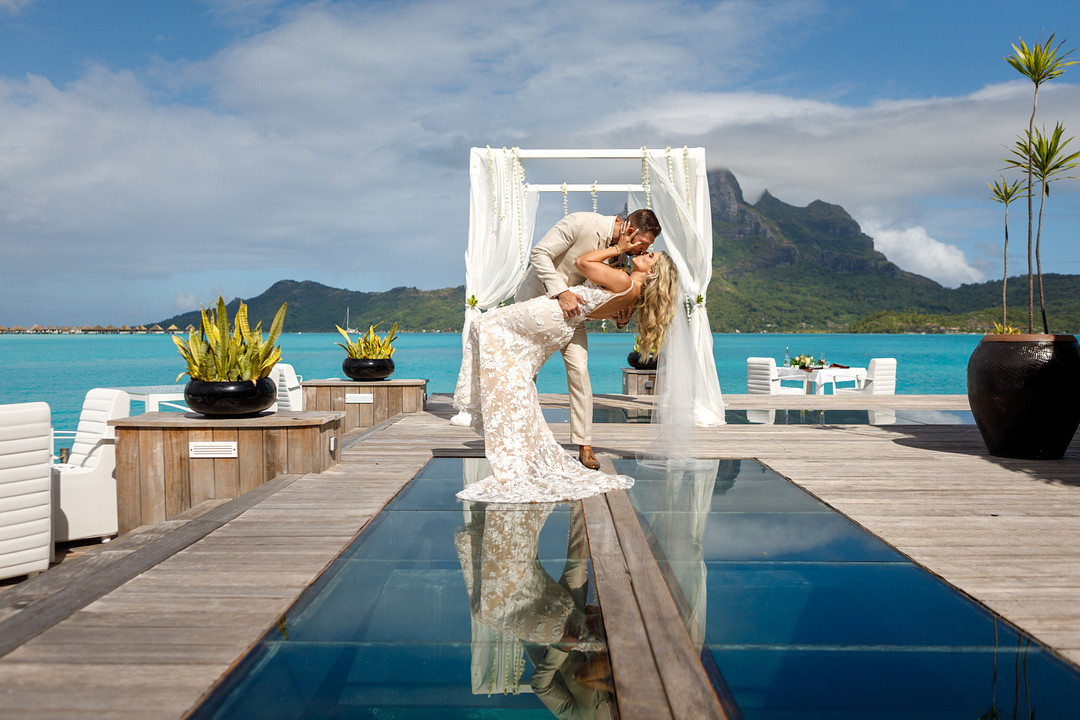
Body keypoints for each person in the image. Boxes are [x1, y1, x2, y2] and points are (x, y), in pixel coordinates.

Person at [454, 221, 678, 503]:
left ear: (653, 271)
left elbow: (582, 263)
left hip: (554, 313)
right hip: (562, 316)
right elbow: (594, 304)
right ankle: (516, 436)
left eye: (650, 255)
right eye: (646, 247)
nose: (644, 251)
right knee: (514, 370)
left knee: (484, 325)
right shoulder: (630, 286)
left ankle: (510, 433)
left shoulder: (625, 282)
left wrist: (617, 249)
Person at [515, 209, 662, 470]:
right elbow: (539, 254)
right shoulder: (580, 222)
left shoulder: (624, 257)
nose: (643, 251)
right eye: (643, 244)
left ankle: (584, 445)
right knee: (527, 372)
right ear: (631, 231)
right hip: (536, 302)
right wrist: (561, 293)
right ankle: (522, 438)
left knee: (580, 370)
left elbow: (599, 295)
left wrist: (619, 316)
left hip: (573, 317)